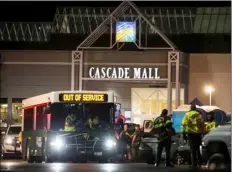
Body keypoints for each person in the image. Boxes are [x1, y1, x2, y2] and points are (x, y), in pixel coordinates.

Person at [181, 104, 205, 168]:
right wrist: (203, 133)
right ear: (195, 108)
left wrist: (184, 134)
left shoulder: (187, 115)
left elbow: (183, 124)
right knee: (198, 148)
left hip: (190, 134)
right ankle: (200, 162)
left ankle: (194, 163)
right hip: (198, 134)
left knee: (192, 149)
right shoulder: (199, 115)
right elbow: (202, 124)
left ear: (190, 108)